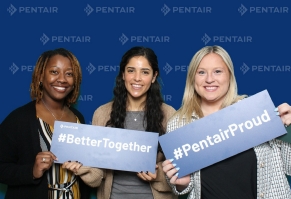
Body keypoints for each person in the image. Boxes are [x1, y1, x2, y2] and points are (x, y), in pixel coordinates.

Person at [162, 45, 291, 199]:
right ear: (192, 78)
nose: (209, 79)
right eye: (201, 72)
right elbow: (183, 186)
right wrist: (182, 184)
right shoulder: (178, 123)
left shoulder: (255, 112)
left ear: (229, 76)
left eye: (218, 71)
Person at [75, 46, 177, 199]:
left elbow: (180, 171)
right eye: (131, 70)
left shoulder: (169, 114)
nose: (137, 78)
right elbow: (97, 175)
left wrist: (158, 174)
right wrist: (80, 167)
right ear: (123, 74)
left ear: (154, 76)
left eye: (145, 72)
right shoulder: (102, 114)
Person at [0, 48, 90, 199]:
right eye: (54, 72)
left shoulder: (78, 118)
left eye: (69, 74)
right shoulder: (19, 119)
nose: (62, 79)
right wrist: (32, 171)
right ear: (41, 75)